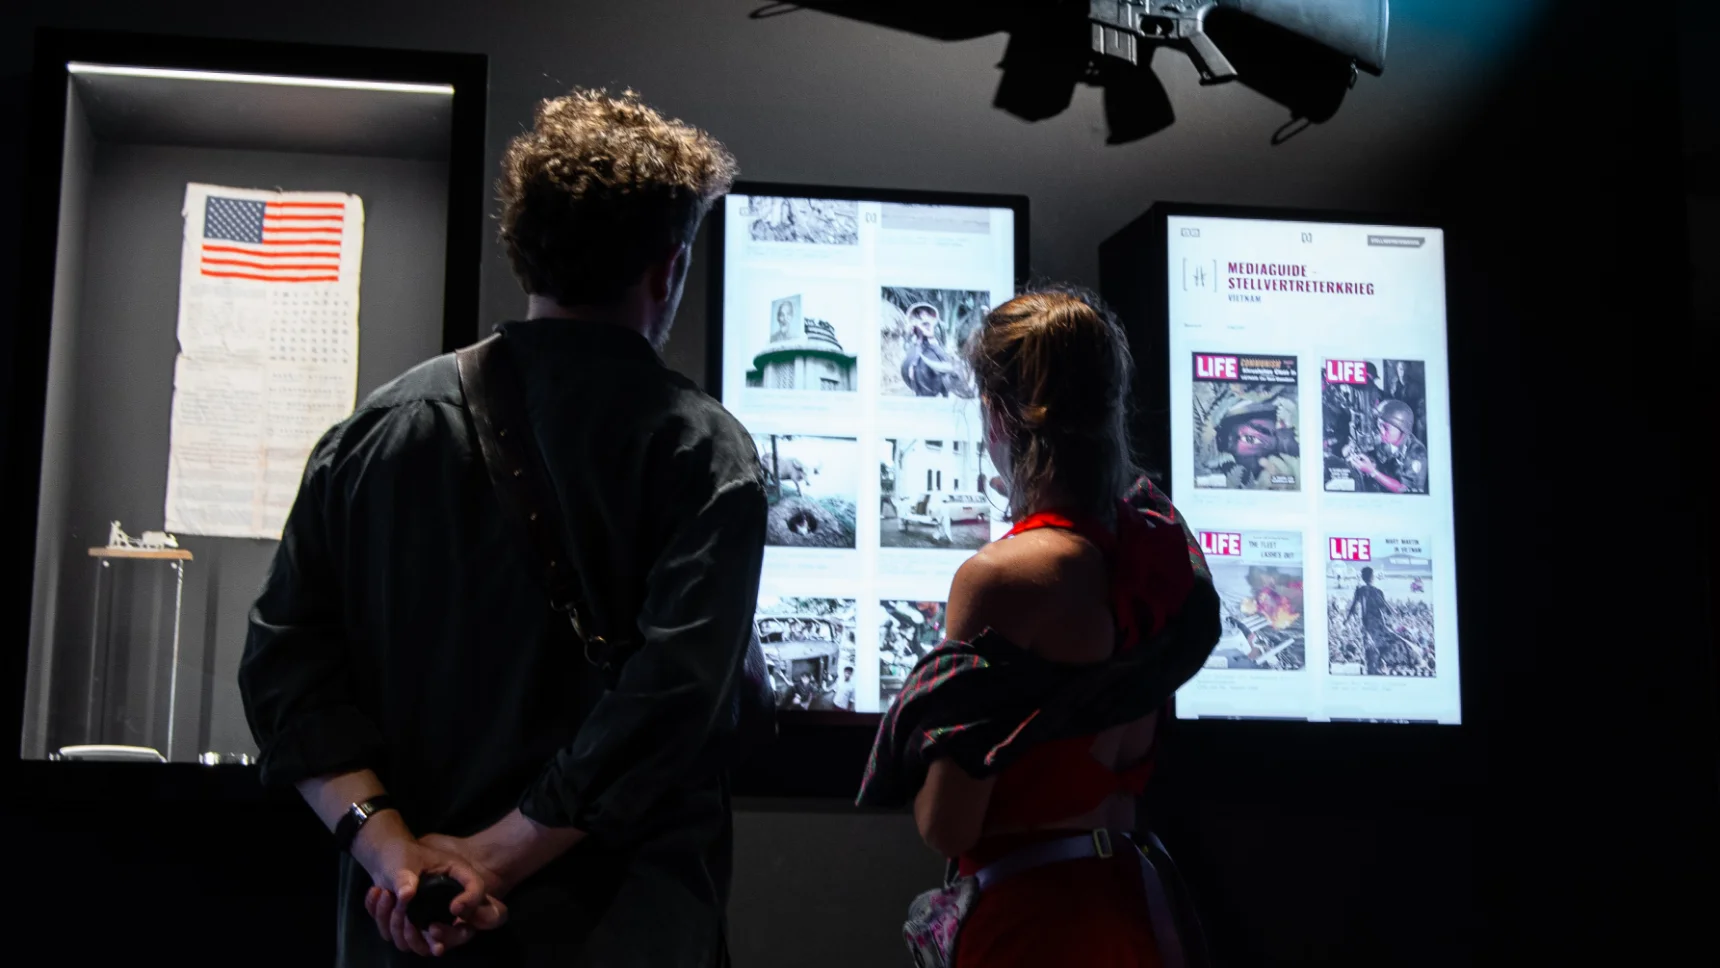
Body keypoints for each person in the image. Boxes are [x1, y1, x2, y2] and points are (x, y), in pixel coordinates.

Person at [238, 89, 763, 967]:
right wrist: (495, 855)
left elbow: (284, 670)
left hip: (410, 933)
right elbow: (668, 706)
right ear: (667, 269)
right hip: (626, 933)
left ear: (524, 248)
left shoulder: (374, 433)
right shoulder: (704, 455)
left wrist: (395, 853)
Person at [859, 289, 1222, 967]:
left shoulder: (1003, 578)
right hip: (1135, 902)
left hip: (1032, 923)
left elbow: (947, 822)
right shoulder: (1158, 549)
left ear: (997, 415)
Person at [1346, 566, 1393, 674]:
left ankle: (1372, 669)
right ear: (1372, 577)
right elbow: (1384, 608)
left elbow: (1353, 607)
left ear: (1363, 577)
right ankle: (1378, 667)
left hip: (1367, 625)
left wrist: (1347, 620)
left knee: (1369, 650)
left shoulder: (1360, 590)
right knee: (1380, 648)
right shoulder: (1378, 591)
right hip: (1378, 624)